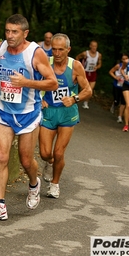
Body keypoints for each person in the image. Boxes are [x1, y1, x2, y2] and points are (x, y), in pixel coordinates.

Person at [0, 14, 58, 221]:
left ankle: (34, 184)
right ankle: (0, 206)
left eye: (14, 32)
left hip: (28, 114)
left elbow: (52, 83)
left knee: (26, 160)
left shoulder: (36, 53)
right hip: (4, 111)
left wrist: (27, 82)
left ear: (25, 33)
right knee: (0, 156)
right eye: (7, 31)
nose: (9, 35)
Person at [39, 33, 92, 198]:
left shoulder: (75, 66)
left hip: (67, 114)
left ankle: (54, 184)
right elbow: (32, 83)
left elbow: (88, 91)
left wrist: (74, 98)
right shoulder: (45, 62)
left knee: (59, 152)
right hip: (48, 111)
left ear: (68, 49)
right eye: (54, 49)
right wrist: (39, 99)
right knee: (45, 153)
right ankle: (50, 162)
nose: (57, 53)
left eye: (61, 49)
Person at [75, 40, 102, 109]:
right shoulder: (85, 53)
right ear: (90, 46)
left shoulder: (99, 55)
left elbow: (100, 64)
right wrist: (80, 66)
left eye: (95, 46)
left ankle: (86, 102)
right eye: (92, 46)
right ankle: (77, 99)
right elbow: (77, 58)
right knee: (83, 88)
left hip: (93, 73)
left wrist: (97, 67)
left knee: (90, 89)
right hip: (85, 72)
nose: (94, 47)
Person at [108, 54, 128, 123]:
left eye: (126, 59)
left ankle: (119, 117)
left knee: (123, 102)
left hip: (125, 87)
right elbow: (110, 71)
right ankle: (114, 104)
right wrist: (115, 77)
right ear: (121, 60)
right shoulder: (118, 66)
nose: (125, 60)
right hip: (117, 85)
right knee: (116, 100)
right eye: (123, 59)